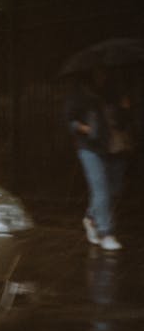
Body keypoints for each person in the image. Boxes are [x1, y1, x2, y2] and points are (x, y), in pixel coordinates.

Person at [64, 66, 134, 251]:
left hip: (109, 147)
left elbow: (121, 121)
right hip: (88, 148)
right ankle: (106, 233)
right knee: (101, 189)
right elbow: (70, 121)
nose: (101, 75)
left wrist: (125, 108)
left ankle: (90, 218)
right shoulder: (79, 94)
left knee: (112, 190)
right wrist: (86, 129)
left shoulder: (109, 93)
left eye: (103, 71)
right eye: (98, 71)